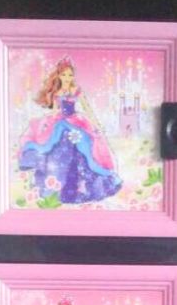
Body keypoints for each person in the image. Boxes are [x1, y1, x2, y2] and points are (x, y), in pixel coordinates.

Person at [17, 57, 122, 204]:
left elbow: (88, 109)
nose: (67, 78)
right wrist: (47, 123)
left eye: (70, 75)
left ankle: (82, 185)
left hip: (75, 121)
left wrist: (97, 124)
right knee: (54, 146)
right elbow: (55, 111)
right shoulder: (57, 92)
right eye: (64, 75)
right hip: (60, 123)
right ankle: (59, 186)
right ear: (59, 76)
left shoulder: (76, 91)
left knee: (85, 146)